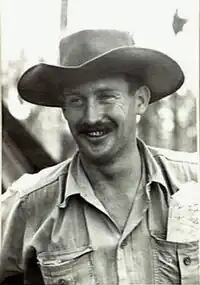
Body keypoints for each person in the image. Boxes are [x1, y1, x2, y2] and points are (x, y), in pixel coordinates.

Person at [0, 29, 199, 285]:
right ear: (63, 109)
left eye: (106, 97)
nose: (91, 116)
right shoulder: (28, 205)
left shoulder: (193, 182)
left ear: (139, 100)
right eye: (76, 101)